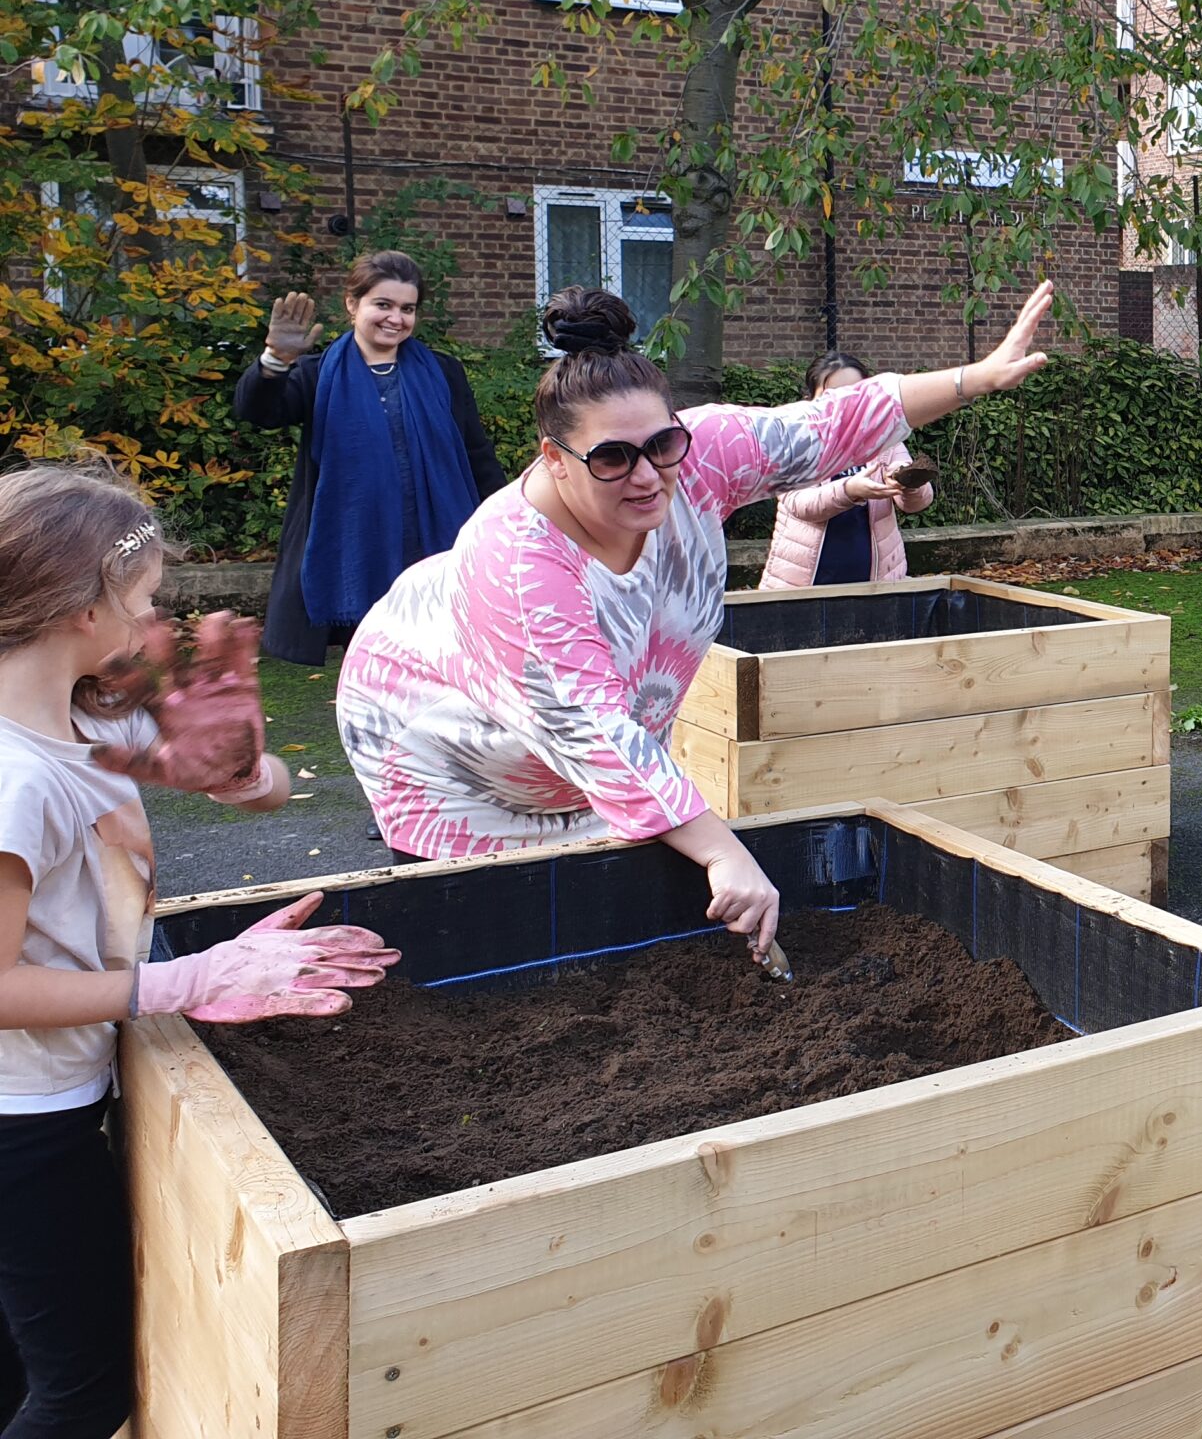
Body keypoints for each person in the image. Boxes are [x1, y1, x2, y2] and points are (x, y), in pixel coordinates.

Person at [336, 279, 1057, 958]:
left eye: (660, 445)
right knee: (488, 941)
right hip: (439, 743)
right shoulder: (517, 563)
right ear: (554, 459)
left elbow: (834, 419)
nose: (648, 475)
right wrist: (723, 850)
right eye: (612, 459)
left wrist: (978, 376)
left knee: (622, 900)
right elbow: (595, 730)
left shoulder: (699, 458)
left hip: (597, 752)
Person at [0, 463, 397, 1439]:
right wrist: (190, 978)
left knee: (23, 1360)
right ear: (79, 607)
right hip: (22, 1131)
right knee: (85, 1389)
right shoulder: (16, 780)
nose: (154, 618)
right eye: (141, 598)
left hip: (47, 1103)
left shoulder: (83, 716)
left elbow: (260, 786)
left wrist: (243, 771)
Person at [234, 252, 508, 666]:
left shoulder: (443, 371)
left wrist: (505, 521)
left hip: (436, 550)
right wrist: (275, 361)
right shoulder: (316, 374)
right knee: (373, 672)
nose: (395, 318)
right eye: (383, 304)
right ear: (352, 304)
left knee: (445, 671)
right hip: (358, 553)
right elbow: (259, 412)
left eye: (407, 308)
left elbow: (476, 455)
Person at [756, 352, 935, 590]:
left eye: (856, 393)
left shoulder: (886, 439)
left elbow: (915, 505)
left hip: (875, 584)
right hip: (803, 585)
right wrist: (850, 490)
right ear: (811, 398)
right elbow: (798, 504)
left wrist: (908, 482)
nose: (845, 403)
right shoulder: (797, 438)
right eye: (833, 395)